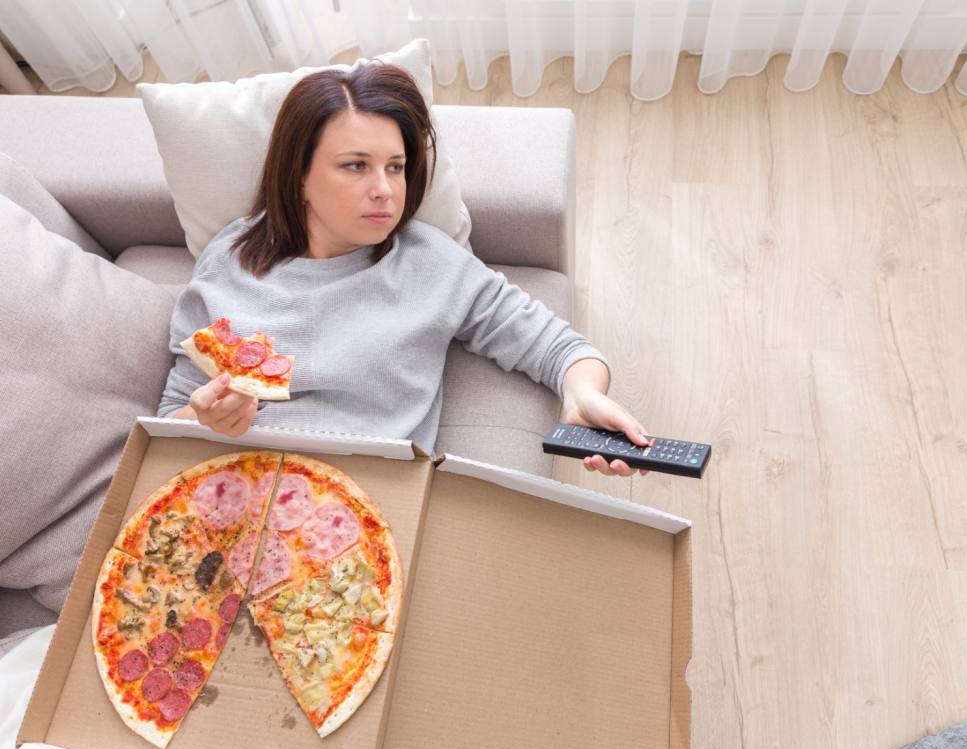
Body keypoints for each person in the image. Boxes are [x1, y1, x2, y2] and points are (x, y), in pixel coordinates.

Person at [158, 63, 650, 477]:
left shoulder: (431, 264)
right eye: (356, 166)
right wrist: (205, 419)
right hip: (231, 493)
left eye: (395, 167)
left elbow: (558, 348)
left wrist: (583, 393)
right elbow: (170, 418)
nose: (385, 190)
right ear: (300, 176)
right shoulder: (228, 258)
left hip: (367, 512)